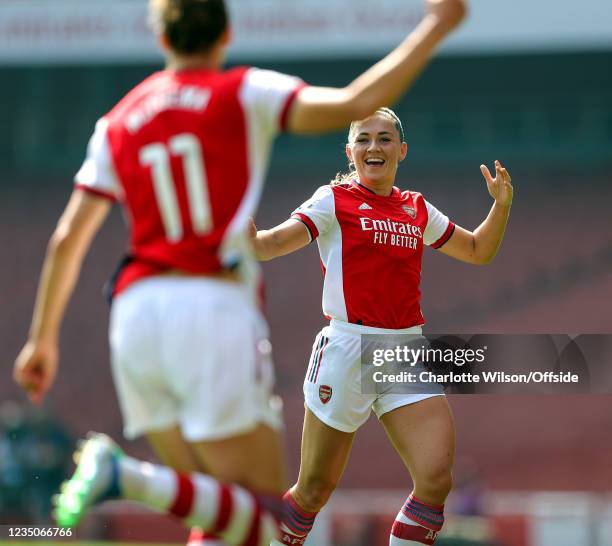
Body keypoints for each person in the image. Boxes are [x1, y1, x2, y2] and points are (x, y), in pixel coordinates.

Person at [13, 0, 467, 543]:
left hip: (133, 313)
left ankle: (131, 476)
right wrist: (437, 25)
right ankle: (125, 474)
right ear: (225, 34)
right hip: (210, 303)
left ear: (161, 40)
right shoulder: (242, 92)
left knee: (218, 510)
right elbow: (357, 100)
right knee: (256, 514)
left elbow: (67, 239)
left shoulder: (118, 120)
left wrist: (41, 338)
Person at [249, 107, 513, 546]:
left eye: (385, 138)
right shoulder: (333, 200)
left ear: (402, 150)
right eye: (364, 138)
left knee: (434, 480)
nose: (375, 146)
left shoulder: (416, 207)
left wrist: (501, 207)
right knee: (313, 491)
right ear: (350, 151)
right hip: (347, 348)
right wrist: (251, 240)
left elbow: (477, 250)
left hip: (406, 349)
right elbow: (275, 241)